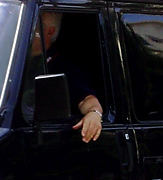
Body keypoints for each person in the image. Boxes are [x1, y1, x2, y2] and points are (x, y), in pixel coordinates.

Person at [23, 10, 103, 142]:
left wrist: (94, 113)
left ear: (49, 32)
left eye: (32, 26)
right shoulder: (12, 60)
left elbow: (87, 99)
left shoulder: (64, 68)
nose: (24, 32)